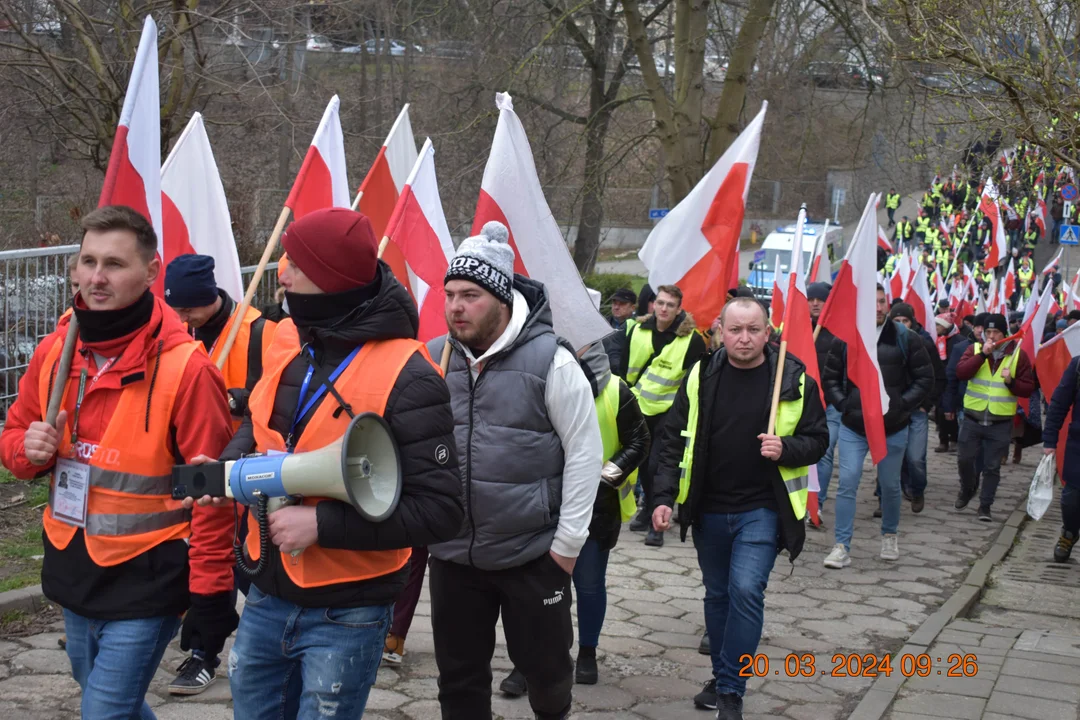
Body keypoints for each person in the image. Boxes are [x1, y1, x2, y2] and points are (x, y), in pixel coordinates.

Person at [202, 207, 464, 719]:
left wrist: (323, 523)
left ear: (331, 277)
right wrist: (230, 469)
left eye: (297, 262)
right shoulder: (288, 340)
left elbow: (440, 512)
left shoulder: (411, 374)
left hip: (349, 610)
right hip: (265, 591)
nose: (282, 270)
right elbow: (258, 426)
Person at [0, 205, 237, 720]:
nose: (96, 278)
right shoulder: (55, 350)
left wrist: (211, 591)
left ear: (152, 272)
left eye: (114, 263)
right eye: (87, 262)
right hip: (73, 562)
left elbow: (213, 492)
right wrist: (28, 450)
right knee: (107, 701)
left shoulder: (188, 370)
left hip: (149, 575)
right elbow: (15, 441)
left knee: (104, 711)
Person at [428, 221, 601, 720]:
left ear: (502, 299)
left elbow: (585, 457)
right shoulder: (437, 358)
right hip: (454, 555)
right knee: (458, 681)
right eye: (450, 294)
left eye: (471, 295)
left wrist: (565, 552)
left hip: (533, 555)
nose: (456, 306)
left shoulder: (554, 360)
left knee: (547, 676)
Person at [651, 296, 828, 719]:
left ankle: (732, 689)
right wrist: (662, 496)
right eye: (735, 330)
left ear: (768, 333)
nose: (744, 338)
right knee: (717, 595)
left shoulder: (794, 378)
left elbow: (818, 441)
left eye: (753, 329)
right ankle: (720, 675)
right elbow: (672, 439)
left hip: (763, 509)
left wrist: (786, 447)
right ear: (719, 332)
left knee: (746, 591)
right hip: (709, 509)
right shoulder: (701, 375)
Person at [500, 344, 649, 690]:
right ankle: (528, 663)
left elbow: (640, 439)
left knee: (589, 584)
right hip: (540, 504)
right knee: (535, 588)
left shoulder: (615, 389)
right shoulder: (538, 377)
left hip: (596, 508)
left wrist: (608, 473)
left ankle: (587, 652)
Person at [162, 254, 276, 694]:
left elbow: (277, 392)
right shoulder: (173, 334)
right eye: (176, 308)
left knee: (241, 561)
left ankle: (225, 647)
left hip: (238, 465)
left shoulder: (258, 331)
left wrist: (237, 399)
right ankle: (196, 645)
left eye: (189, 307)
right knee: (198, 558)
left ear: (211, 296)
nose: (182, 315)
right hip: (184, 460)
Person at [822, 286, 933, 567]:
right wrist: (845, 404)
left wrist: (900, 405)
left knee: (890, 485)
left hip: (892, 427)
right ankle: (841, 546)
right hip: (853, 426)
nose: (879, 307)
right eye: (873, 303)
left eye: (882, 302)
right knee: (847, 483)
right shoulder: (845, 338)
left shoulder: (907, 338)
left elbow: (924, 378)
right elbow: (830, 377)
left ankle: (889, 535)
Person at [617, 284, 707, 546]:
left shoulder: (691, 340)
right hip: (638, 408)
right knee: (643, 463)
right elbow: (624, 368)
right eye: (661, 303)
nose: (664, 308)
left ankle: (658, 521)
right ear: (653, 305)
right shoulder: (635, 330)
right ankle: (648, 509)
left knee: (658, 463)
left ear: (679, 309)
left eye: (670, 304)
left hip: (670, 412)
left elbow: (696, 380)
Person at [954, 312, 1035, 520]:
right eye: (987, 331)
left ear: (1004, 333)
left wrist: (1012, 383)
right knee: (964, 459)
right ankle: (968, 488)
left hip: (1000, 421)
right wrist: (982, 356)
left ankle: (985, 506)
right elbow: (961, 372)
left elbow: (1028, 388)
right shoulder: (975, 349)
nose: (990, 336)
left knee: (992, 466)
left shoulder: (1018, 355)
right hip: (973, 417)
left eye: (995, 332)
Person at [888, 304, 944, 513]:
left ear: (912, 322)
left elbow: (937, 377)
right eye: (897, 321)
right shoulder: (882, 341)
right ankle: (892, 493)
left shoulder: (924, 343)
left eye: (905, 321)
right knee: (892, 455)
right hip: (893, 410)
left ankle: (918, 489)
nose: (901, 325)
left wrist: (926, 404)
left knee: (915, 457)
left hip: (917, 410)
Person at [1042, 356, 1080, 561]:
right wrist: (1049, 440)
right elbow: (1058, 404)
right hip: (1078, 447)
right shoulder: (1078, 366)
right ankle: (1070, 532)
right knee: (1071, 500)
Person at [809, 281, 837, 527]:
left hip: (831, 404)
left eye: (820, 299)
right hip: (803, 401)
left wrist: (838, 398)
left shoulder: (840, 331)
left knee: (824, 455)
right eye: (811, 299)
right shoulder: (795, 328)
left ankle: (816, 506)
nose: (815, 303)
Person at [934, 314, 963, 452]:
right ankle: (943, 440)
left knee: (952, 411)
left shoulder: (959, 341)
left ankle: (954, 438)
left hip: (954, 382)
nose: (936, 328)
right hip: (940, 381)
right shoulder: (937, 340)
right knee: (940, 412)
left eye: (938, 325)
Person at [602, 287, 637, 371]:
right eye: (614, 303)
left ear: (633, 308)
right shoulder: (602, 323)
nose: (616, 307)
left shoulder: (636, 328)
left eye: (622, 304)